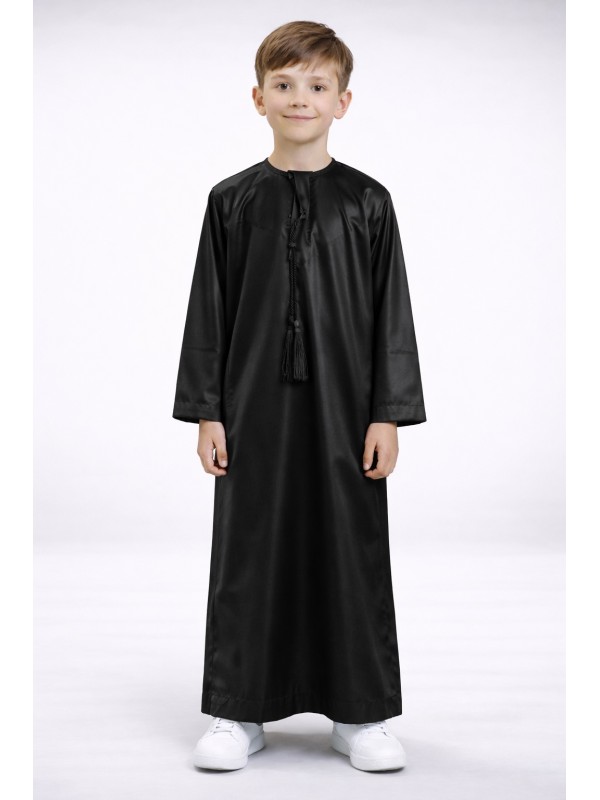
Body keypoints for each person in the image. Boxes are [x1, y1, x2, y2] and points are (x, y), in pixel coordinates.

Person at [172, 20, 427, 773]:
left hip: (347, 411)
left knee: (351, 545)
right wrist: (208, 411)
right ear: (258, 98)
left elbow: (392, 313)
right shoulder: (231, 201)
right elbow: (208, 310)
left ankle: (361, 711)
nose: (299, 97)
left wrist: (387, 413)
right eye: (283, 84)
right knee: (248, 547)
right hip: (251, 408)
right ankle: (236, 708)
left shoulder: (368, 202)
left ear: (342, 101)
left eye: (317, 85)